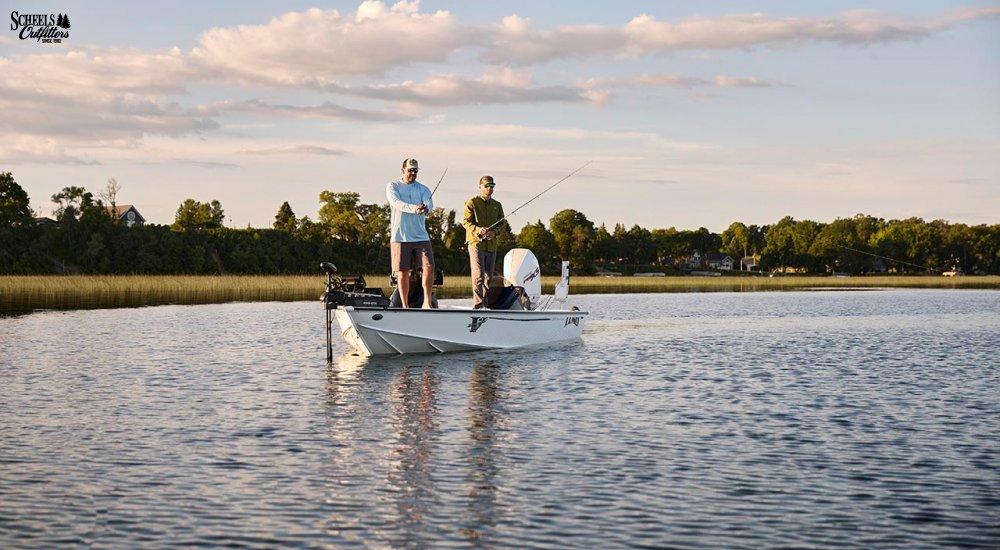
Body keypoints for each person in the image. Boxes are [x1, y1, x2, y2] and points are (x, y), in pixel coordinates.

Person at [386, 158, 435, 308]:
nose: (413, 173)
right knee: (402, 272)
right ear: (403, 170)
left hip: (421, 236)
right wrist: (414, 208)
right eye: (410, 170)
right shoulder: (393, 186)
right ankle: (405, 305)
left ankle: (427, 302)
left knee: (429, 266)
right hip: (400, 236)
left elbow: (430, 204)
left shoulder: (423, 189)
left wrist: (425, 208)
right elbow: (396, 203)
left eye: (415, 171)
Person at [462, 175, 510, 309]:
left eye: (492, 186)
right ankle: (478, 305)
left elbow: (503, 223)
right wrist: (478, 230)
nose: (489, 188)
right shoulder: (472, 202)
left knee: (489, 277)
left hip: (491, 245)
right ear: (480, 187)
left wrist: (494, 233)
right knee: (478, 275)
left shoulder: (497, 205)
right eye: (487, 186)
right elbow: (465, 222)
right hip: (475, 243)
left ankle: (486, 304)